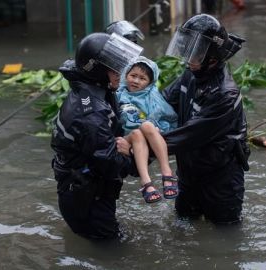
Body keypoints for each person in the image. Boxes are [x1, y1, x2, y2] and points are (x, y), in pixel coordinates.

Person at [51, 32, 143, 239]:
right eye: (115, 68)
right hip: (87, 199)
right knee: (111, 253)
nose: (122, 72)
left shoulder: (92, 89)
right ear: (99, 71)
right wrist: (132, 153)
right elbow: (111, 164)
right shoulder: (91, 113)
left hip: (85, 191)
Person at [161, 14, 250, 224]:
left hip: (220, 181)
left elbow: (189, 135)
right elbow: (162, 103)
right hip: (189, 175)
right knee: (183, 227)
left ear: (211, 57)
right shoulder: (189, 75)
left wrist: (145, 148)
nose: (187, 58)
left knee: (225, 239)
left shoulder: (224, 94)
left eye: (194, 52)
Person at [116, 56, 178, 203]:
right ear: (126, 75)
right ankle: (160, 178)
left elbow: (167, 116)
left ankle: (150, 182)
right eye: (133, 76)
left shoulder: (153, 96)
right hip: (125, 137)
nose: (136, 81)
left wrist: (152, 126)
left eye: (142, 78)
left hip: (142, 134)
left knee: (142, 129)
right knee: (141, 128)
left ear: (150, 82)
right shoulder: (118, 94)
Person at [105, 20, 145, 91]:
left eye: (133, 44)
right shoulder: (107, 64)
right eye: (126, 45)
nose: (131, 50)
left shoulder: (136, 63)